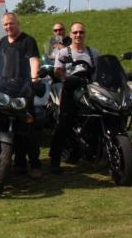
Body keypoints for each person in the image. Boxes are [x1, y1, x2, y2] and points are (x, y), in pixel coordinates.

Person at [0, 12, 42, 178]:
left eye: (11, 23)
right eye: (6, 24)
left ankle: (35, 164)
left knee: (27, 128)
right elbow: (0, 64)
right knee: (6, 126)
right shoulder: (2, 42)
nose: (9, 26)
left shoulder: (28, 41)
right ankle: (18, 163)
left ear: (18, 23)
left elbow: (33, 59)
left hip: (24, 89)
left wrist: (34, 77)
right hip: (5, 89)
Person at [49, 22, 98, 173]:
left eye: (81, 32)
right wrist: (66, 77)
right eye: (75, 32)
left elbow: (100, 71)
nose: (78, 35)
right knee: (64, 122)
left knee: (98, 117)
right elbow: (58, 70)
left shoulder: (93, 52)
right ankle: (55, 159)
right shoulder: (63, 53)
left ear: (85, 34)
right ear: (70, 35)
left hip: (90, 90)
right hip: (71, 89)